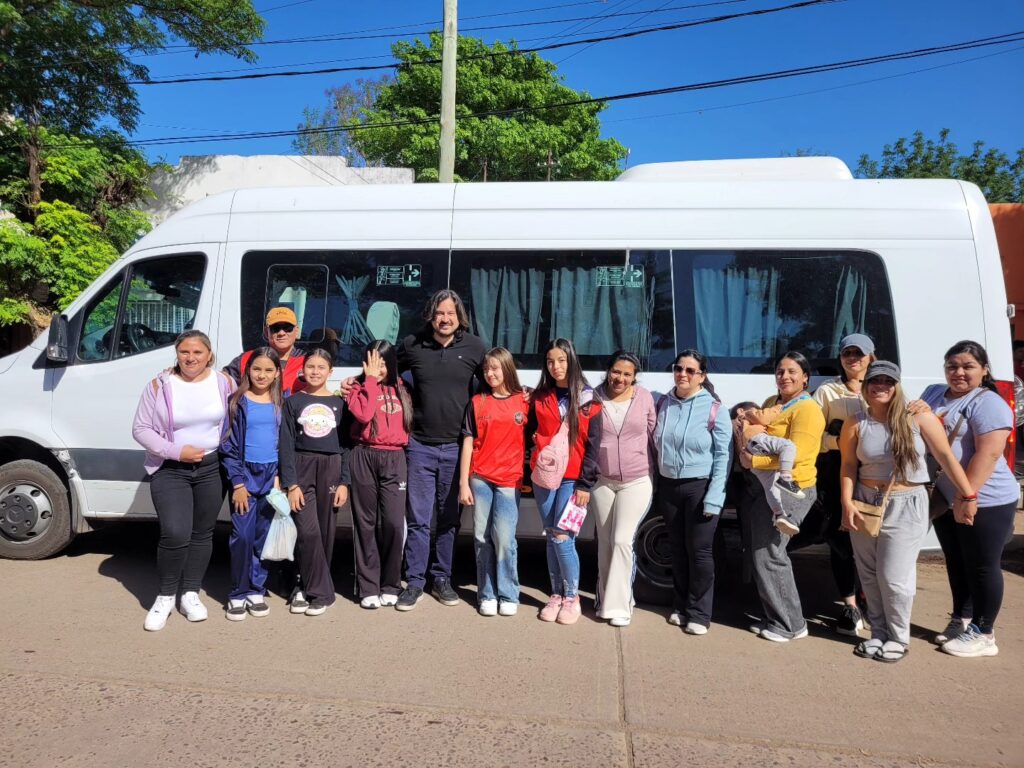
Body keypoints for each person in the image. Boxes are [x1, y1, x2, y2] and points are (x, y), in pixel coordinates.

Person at [840, 360, 973, 663]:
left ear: (897, 385)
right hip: (865, 503)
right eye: (875, 381)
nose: (881, 386)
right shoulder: (856, 422)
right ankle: (878, 633)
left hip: (907, 502)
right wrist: (846, 503)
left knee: (894, 577)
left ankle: (898, 637)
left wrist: (968, 494)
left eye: (888, 381)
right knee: (870, 575)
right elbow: (848, 466)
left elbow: (946, 458)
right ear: (865, 385)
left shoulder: (918, 418)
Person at [919, 340, 1018, 658]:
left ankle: (984, 632)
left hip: (985, 499)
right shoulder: (934, 392)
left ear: (984, 370)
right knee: (957, 561)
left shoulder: (989, 403)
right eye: (952, 366)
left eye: (967, 366)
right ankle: (961, 620)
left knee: (982, 565)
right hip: (948, 496)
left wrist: (967, 495)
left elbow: (989, 454)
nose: (958, 372)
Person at [132, 330, 236, 632]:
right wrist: (176, 451)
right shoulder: (160, 385)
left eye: (197, 353)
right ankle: (165, 596)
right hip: (169, 468)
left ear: (209, 355)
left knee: (203, 533)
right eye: (185, 353)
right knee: (175, 533)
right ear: (177, 354)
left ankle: (190, 593)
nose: (191, 358)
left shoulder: (224, 382)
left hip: (211, 467)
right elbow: (141, 429)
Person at [394, 290, 486, 611]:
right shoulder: (412, 345)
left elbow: (494, 382)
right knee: (418, 519)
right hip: (419, 445)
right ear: (430, 316)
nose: (445, 319)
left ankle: (441, 577)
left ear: (460, 316)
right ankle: (415, 581)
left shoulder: (474, 347)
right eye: (439, 313)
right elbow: (384, 370)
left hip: (457, 447)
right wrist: (357, 382)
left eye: (450, 313)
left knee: (448, 520)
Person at [738, 351, 825, 643]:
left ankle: (790, 624)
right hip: (765, 487)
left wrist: (753, 462)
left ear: (805, 378)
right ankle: (777, 616)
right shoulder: (773, 405)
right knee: (763, 553)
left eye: (792, 372)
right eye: (780, 371)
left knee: (771, 553)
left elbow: (797, 457)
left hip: (791, 489)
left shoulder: (808, 409)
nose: (785, 376)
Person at [653, 350, 732, 635]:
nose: (682, 374)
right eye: (678, 368)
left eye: (690, 370)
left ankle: (699, 613)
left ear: (702, 376)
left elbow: (724, 456)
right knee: (676, 550)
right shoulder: (662, 402)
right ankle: (680, 606)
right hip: (668, 486)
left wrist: (715, 497)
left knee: (699, 552)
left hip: (699, 487)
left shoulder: (714, 409)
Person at [528, 338, 602, 626]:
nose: (556, 366)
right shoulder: (539, 396)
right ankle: (556, 594)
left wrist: (586, 484)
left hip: (573, 479)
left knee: (562, 535)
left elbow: (594, 446)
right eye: (550, 361)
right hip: (545, 476)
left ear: (571, 360)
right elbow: (530, 432)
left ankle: (572, 597)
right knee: (550, 534)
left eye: (561, 360)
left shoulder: (588, 398)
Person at [279, 349, 350, 616]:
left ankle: (306, 585)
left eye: (321, 367)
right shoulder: (293, 402)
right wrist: (291, 484)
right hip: (302, 466)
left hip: (331, 467)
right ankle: (322, 592)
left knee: (325, 531)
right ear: (302, 369)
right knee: (307, 531)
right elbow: (285, 444)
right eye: (310, 366)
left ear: (330, 372)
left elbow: (347, 446)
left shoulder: (339, 404)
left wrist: (345, 481)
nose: (315, 371)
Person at [458, 347, 529, 617]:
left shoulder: (524, 401)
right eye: (486, 369)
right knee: (481, 536)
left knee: (505, 538)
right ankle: (486, 593)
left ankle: (509, 593)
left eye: (495, 368)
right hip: (480, 478)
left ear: (507, 369)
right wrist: (464, 482)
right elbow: (467, 442)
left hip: (509, 480)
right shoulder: (477, 402)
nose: (490, 373)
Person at [812, 333, 874, 636]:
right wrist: (839, 441)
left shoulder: (883, 388)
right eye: (848, 353)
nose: (853, 358)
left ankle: (869, 601)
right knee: (843, 542)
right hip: (838, 473)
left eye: (859, 354)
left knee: (872, 541)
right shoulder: (827, 392)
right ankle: (849, 605)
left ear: (871, 358)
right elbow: (812, 436)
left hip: (875, 474)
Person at [591, 351, 657, 628]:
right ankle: (603, 597)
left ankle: (620, 606)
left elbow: (654, 432)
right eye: (616, 372)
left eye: (627, 374)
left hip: (637, 479)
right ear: (608, 371)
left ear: (634, 377)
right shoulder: (593, 397)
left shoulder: (644, 397)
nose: (620, 378)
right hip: (601, 480)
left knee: (621, 540)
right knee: (605, 542)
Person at [345, 341, 412, 610]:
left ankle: (390, 584)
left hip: (395, 458)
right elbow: (363, 414)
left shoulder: (404, 389)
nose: (379, 368)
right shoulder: (355, 388)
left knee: (395, 523)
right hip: (364, 454)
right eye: (373, 362)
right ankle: (368, 586)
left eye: (383, 362)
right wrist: (369, 380)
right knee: (366, 523)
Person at [219, 347, 283, 621]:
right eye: (257, 369)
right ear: (247, 371)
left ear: (277, 373)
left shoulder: (283, 402)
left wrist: (282, 477)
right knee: (242, 537)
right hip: (245, 477)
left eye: (269, 370)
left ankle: (257, 588)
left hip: (272, 477)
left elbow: (287, 444)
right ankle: (237, 592)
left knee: (262, 536)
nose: (262, 375)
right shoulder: (237, 402)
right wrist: (238, 483)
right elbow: (228, 447)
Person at [733, 401, 806, 535]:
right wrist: (779, 407)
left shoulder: (735, 427)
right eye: (758, 409)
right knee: (788, 446)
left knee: (770, 486)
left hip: (749, 455)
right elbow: (764, 417)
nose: (760, 411)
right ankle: (786, 477)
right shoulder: (747, 415)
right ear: (741, 411)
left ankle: (779, 515)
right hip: (756, 440)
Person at [224, 307, 306, 395]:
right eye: (275, 328)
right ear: (267, 332)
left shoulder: (308, 362)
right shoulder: (246, 359)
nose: (281, 333)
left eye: (288, 328)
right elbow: (222, 382)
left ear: (297, 331)